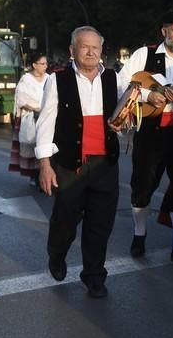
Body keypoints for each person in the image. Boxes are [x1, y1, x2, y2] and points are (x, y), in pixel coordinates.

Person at [35, 27, 120, 298]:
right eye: (85, 47)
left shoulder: (112, 78)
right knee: (66, 220)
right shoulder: (57, 79)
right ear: (73, 50)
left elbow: (122, 114)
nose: (92, 52)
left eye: (96, 47)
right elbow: (46, 122)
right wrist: (45, 165)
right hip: (70, 164)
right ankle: (57, 255)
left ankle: (94, 276)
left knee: (100, 223)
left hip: (105, 163)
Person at [118, 11, 173, 266]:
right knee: (143, 184)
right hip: (150, 130)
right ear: (164, 31)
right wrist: (148, 97)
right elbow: (123, 82)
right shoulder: (143, 55)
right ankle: (139, 233)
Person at [9, 53, 49, 185]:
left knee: (46, 146)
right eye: (42, 64)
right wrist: (35, 108)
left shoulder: (49, 79)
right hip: (31, 117)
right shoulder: (26, 79)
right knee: (32, 145)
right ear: (34, 65)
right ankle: (35, 174)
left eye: (46, 64)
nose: (45, 66)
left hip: (46, 116)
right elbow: (22, 99)